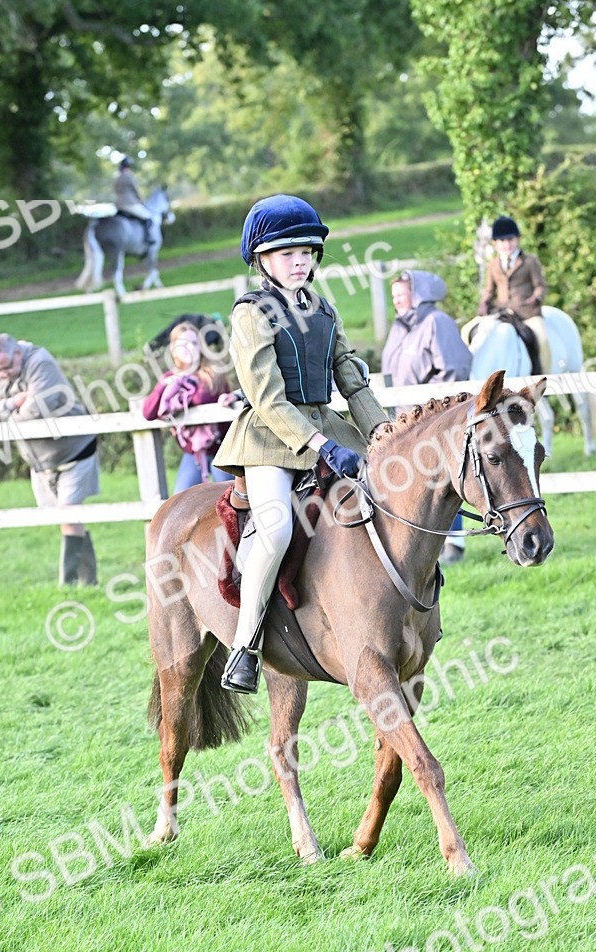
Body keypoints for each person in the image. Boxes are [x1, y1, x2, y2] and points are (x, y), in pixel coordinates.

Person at [213, 194, 387, 694]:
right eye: (287, 254)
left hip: (328, 428)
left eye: (307, 252)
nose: (300, 262)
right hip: (272, 437)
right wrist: (318, 445)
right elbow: (266, 396)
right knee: (276, 526)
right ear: (262, 260)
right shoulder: (250, 313)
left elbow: (351, 379)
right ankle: (244, 648)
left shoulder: (323, 308)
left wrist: (382, 436)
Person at [0, 333, 100, 585]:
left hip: (75, 449)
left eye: (7, 367)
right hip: (40, 460)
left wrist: (4, 417)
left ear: (18, 353)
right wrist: (12, 402)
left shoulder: (41, 362)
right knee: (64, 518)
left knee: (67, 513)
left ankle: (69, 583)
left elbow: (34, 411)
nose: (2, 374)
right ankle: (89, 582)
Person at [381, 270, 472, 565]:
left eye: (402, 294)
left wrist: (428, 408)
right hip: (405, 422)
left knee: (444, 481)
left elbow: (454, 370)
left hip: (434, 422)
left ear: (418, 293)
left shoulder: (436, 322)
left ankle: (455, 545)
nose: (397, 301)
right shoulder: (399, 328)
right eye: (393, 296)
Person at [142, 321, 239, 492]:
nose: (190, 348)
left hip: (222, 449)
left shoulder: (212, 374)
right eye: (183, 344)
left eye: (194, 343)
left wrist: (184, 383)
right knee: (180, 497)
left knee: (230, 496)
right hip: (194, 453)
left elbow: (202, 398)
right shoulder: (170, 379)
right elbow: (149, 412)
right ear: (173, 350)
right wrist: (165, 384)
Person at [475, 215, 551, 373]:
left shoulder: (530, 262)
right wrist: (484, 303)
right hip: (503, 312)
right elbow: (489, 290)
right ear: (495, 243)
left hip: (527, 312)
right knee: (469, 331)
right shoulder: (493, 265)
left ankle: (543, 376)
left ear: (517, 240)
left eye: (510, 239)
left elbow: (540, 285)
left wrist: (536, 297)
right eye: (502, 241)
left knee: (542, 338)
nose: (506, 244)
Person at [113, 156, 155, 249]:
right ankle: (148, 237)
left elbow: (115, 190)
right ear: (128, 166)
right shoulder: (129, 176)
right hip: (130, 204)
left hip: (118, 205)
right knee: (148, 217)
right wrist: (141, 201)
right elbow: (135, 190)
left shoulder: (116, 177)